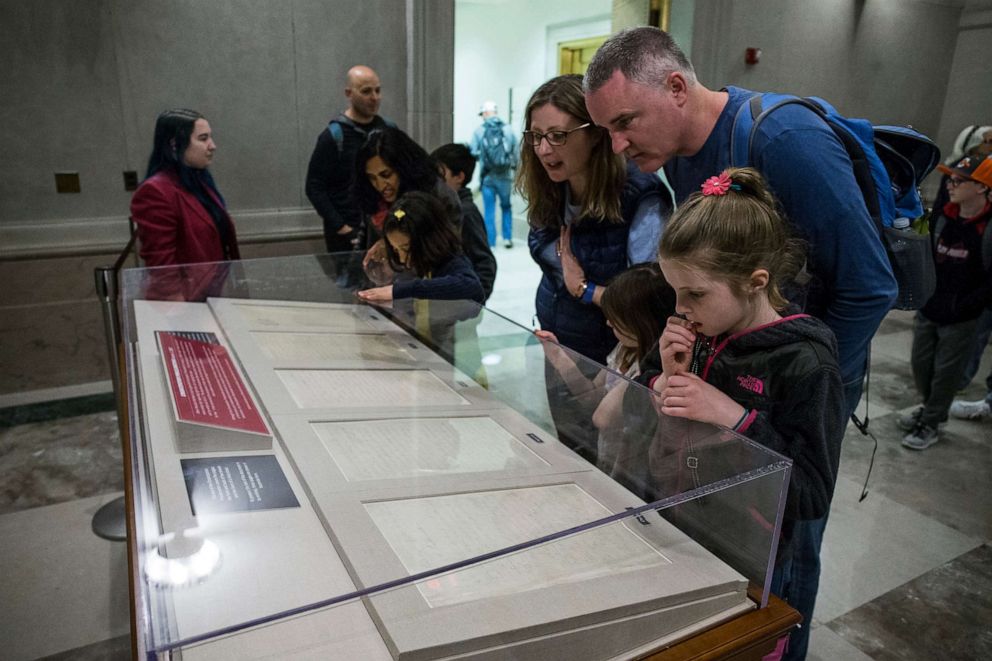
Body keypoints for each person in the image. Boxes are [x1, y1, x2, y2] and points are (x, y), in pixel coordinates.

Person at [583, 30, 893, 660]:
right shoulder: (678, 158)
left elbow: (868, 285)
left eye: (624, 123)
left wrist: (805, 372)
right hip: (733, 377)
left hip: (788, 385)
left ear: (675, 87)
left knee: (786, 555)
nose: (616, 146)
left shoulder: (788, 143)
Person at [650, 167, 845, 661]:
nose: (681, 308)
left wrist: (737, 419)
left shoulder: (807, 364)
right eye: (675, 291)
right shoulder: (706, 335)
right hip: (689, 530)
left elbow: (811, 495)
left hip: (750, 556)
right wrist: (669, 381)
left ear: (756, 282)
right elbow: (673, 449)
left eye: (695, 293)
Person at [518, 73, 669, 462]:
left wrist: (584, 289)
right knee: (568, 447)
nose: (544, 148)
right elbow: (541, 243)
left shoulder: (639, 193)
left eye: (558, 135)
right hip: (559, 337)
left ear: (595, 133)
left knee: (605, 459)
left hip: (610, 353)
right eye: (535, 136)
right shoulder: (552, 185)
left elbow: (649, 296)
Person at [535, 262, 675, 479]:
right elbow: (593, 396)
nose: (609, 323)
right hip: (608, 454)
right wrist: (559, 358)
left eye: (618, 319)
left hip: (635, 469)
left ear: (643, 323)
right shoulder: (623, 350)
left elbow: (603, 417)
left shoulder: (655, 372)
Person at [899, 155, 992, 448]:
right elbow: (925, 254)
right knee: (921, 364)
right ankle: (930, 408)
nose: (949, 185)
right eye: (949, 179)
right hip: (930, 307)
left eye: (958, 181)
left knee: (946, 373)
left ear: (981, 187)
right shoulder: (942, 215)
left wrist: (966, 307)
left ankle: (932, 421)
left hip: (962, 317)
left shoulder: (987, 228)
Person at [131, 108, 240, 266]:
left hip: (216, 286)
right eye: (203, 139)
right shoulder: (155, 191)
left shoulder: (199, 180)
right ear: (174, 144)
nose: (212, 146)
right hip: (187, 289)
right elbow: (161, 265)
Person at [305, 65, 393, 253]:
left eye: (378, 90)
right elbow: (314, 187)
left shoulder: (388, 130)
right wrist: (342, 227)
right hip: (348, 234)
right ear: (349, 93)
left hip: (384, 228)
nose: (374, 97)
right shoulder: (333, 136)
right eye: (366, 91)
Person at [356, 191, 484, 304]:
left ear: (429, 240)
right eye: (396, 249)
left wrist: (399, 290)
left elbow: (471, 285)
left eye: (406, 248)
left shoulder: (450, 262)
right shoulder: (420, 266)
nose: (401, 258)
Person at [430, 143, 498, 300]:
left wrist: (472, 303)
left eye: (440, 173)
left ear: (459, 177)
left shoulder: (466, 212)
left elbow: (485, 263)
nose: (434, 180)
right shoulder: (442, 208)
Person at [470, 100, 519, 248]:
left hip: (488, 177)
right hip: (505, 176)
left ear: (485, 113)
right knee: (506, 206)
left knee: (489, 209)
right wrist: (515, 168)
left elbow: (472, 152)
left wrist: (484, 157)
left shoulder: (479, 131)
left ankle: (490, 241)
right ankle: (507, 238)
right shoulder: (508, 129)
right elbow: (515, 151)